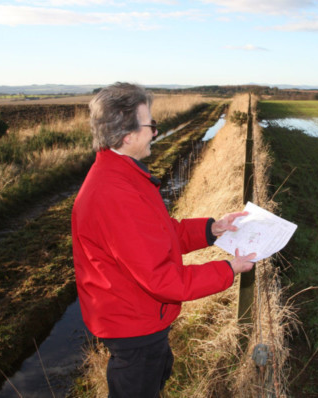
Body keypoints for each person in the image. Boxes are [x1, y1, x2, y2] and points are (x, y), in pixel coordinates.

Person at [71, 82, 256, 398]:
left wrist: (213, 229)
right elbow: (164, 280)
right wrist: (229, 269)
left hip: (137, 316)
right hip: (134, 327)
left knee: (156, 376)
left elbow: (160, 234)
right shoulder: (116, 194)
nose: (155, 132)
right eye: (151, 125)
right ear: (127, 136)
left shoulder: (123, 175)